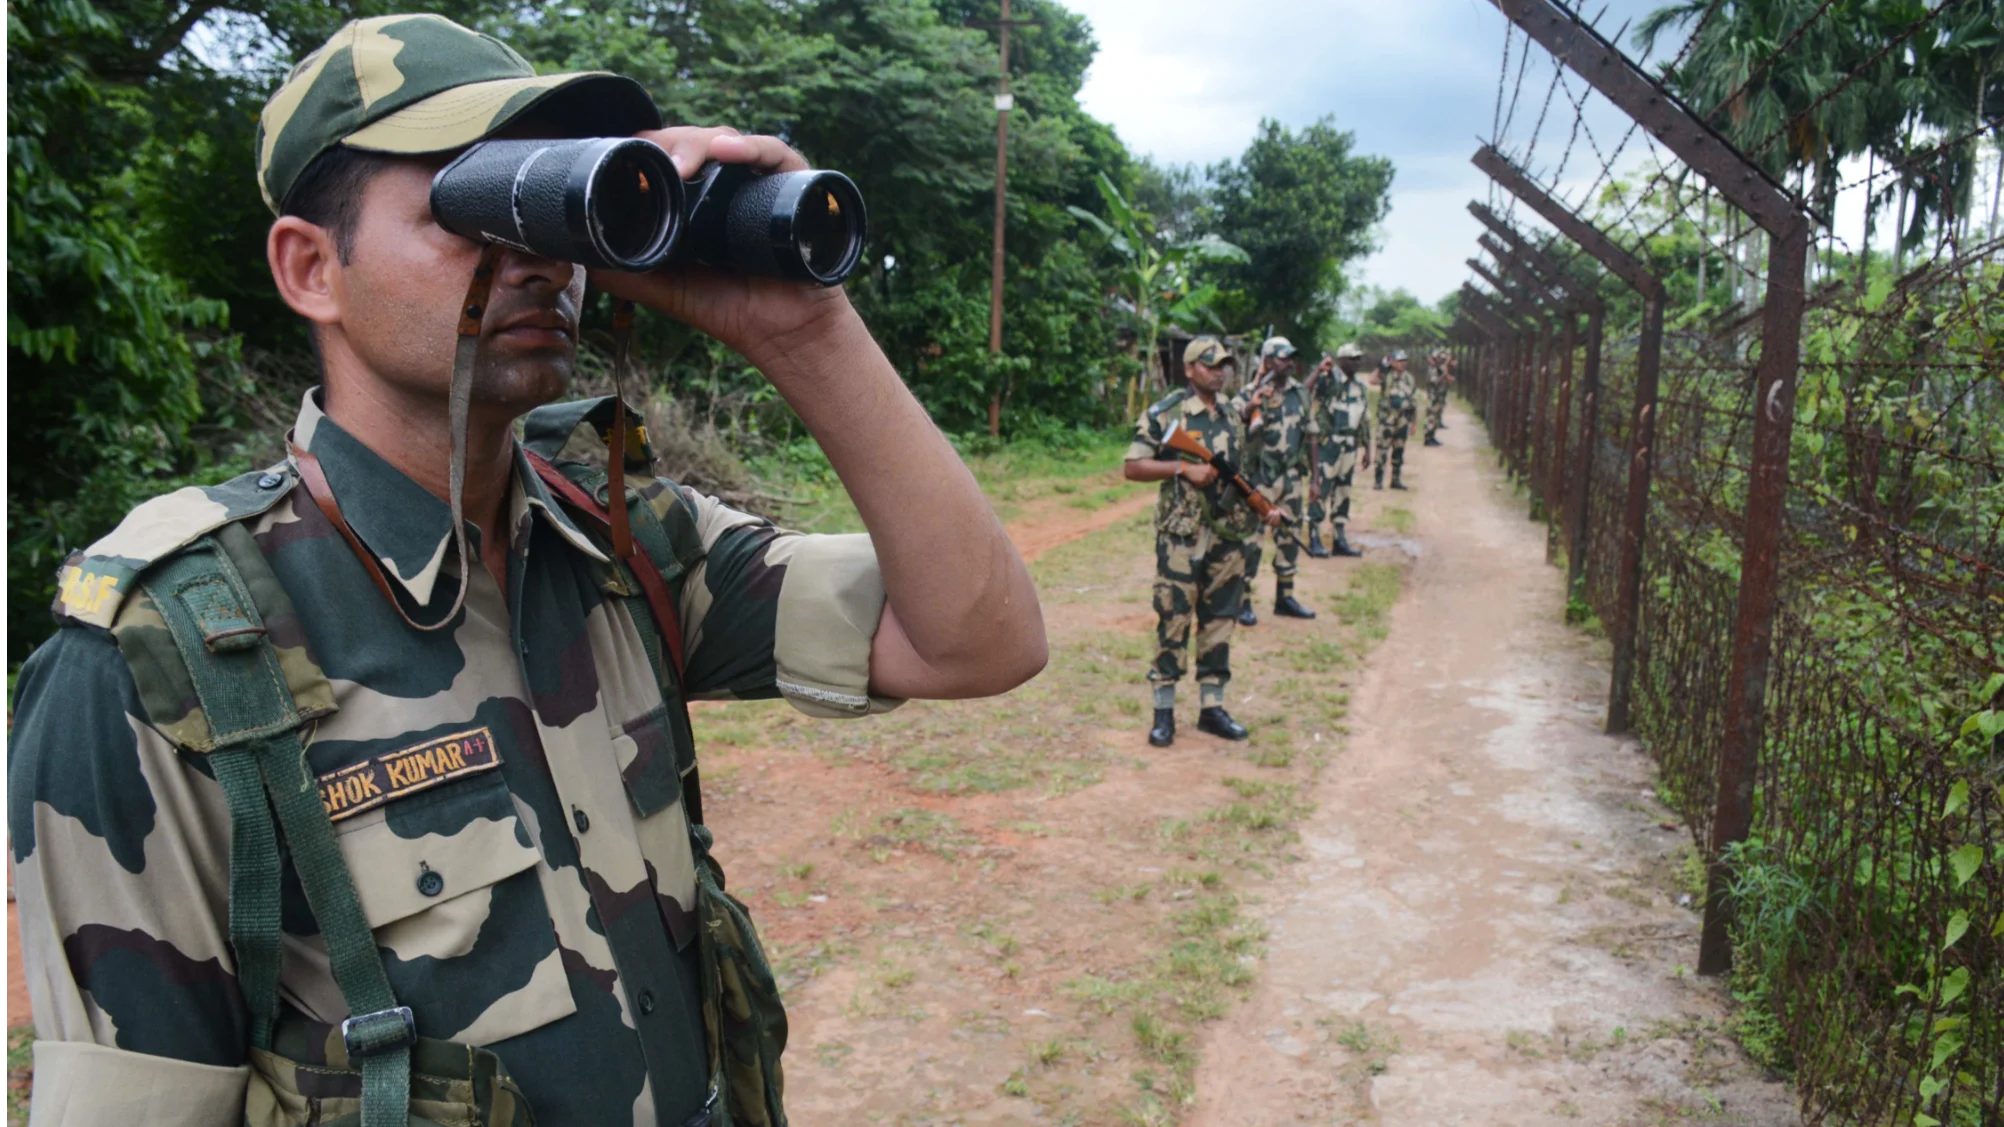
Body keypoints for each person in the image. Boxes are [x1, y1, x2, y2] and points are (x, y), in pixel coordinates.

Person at [7, 15, 1047, 1127]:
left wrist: (804, 329)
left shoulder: (624, 539)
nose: (537, 257)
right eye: (472, 203)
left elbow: (979, 637)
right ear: (312, 267)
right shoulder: (162, 657)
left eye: (547, 204)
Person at [1124, 336, 1276, 747]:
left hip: (1227, 537)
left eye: (1224, 364)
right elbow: (1133, 466)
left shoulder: (1233, 414)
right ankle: (1164, 714)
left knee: (1221, 622)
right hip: (1181, 539)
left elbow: (1242, 474)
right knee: (1173, 621)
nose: (1220, 371)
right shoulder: (1166, 413)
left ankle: (1213, 709)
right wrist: (1180, 469)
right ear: (1190, 370)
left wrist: (1265, 508)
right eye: (1210, 365)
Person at [1232, 336, 1317, 620]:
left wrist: (1315, 478)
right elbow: (1228, 426)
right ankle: (1243, 601)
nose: (1289, 363)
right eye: (1282, 358)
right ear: (1267, 361)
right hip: (1259, 478)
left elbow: (1312, 434)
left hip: (1291, 477)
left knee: (1289, 538)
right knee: (1251, 542)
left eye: (1291, 357)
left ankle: (1286, 597)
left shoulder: (1300, 393)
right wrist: (1248, 408)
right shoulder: (1250, 393)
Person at [1305, 343, 1372, 557]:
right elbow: (1304, 391)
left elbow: (1364, 419)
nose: (1356, 362)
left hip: (1350, 445)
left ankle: (1339, 539)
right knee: (1321, 489)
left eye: (1358, 358)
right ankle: (1314, 537)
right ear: (1341, 361)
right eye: (1352, 359)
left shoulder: (1360, 387)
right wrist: (1319, 370)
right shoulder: (1329, 382)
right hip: (1329, 444)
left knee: (1344, 491)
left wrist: (1368, 448)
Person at [1374, 348, 1420, 490]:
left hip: (1403, 420)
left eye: (1404, 361)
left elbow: (1413, 401)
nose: (1402, 364)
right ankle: (1378, 480)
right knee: (1382, 449)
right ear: (1393, 362)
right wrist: (1382, 365)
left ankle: (1395, 479)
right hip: (1387, 420)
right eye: (1399, 361)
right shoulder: (1386, 375)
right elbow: (1372, 380)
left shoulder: (1409, 378)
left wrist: (1413, 423)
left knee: (1399, 450)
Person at [1423, 348, 1453, 446]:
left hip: (1438, 397)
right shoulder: (1433, 369)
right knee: (1431, 417)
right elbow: (1434, 382)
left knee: (1435, 418)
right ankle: (1428, 438)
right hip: (1434, 398)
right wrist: (1443, 375)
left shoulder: (1438, 368)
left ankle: (1432, 437)